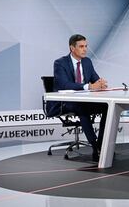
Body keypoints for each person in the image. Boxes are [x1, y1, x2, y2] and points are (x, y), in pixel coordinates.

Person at [47, 34, 108, 162]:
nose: (85, 49)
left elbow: (95, 79)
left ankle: (102, 144)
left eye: (86, 46)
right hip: (64, 103)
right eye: (81, 46)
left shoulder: (87, 62)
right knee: (82, 107)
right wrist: (88, 87)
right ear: (72, 48)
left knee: (107, 107)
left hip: (83, 101)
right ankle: (94, 145)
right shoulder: (60, 63)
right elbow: (64, 85)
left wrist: (100, 83)